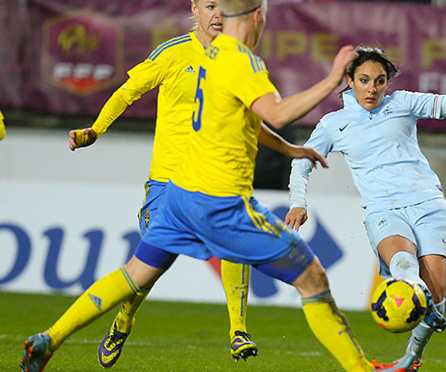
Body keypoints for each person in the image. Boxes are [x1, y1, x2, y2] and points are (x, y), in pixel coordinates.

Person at [20, 1, 410, 371]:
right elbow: (274, 111)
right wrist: (330, 79)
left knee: (133, 274)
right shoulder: (243, 61)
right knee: (312, 277)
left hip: (179, 197)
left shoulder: (211, 54)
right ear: (258, 16)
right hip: (219, 203)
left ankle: (49, 338)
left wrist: (291, 149)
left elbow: (245, 118)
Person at [66, 0, 298, 365]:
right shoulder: (174, 53)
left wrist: (287, 148)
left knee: (233, 244)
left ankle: (238, 330)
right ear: (195, 9)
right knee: (148, 268)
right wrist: (95, 130)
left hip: (213, 178)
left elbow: (255, 116)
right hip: (167, 183)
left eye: (223, 7)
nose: (217, 14)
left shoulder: (238, 60)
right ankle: (124, 317)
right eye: (209, 6)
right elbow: (128, 91)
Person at [286, 45, 446, 371]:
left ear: (387, 82)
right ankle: (413, 295)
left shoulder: (404, 103)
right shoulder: (333, 124)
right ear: (350, 80)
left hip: (428, 203)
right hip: (383, 208)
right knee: (404, 263)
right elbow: (302, 163)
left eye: (379, 81)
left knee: (436, 296)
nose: (372, 88)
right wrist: (298, 201)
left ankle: (411, 359)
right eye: (365, 80)